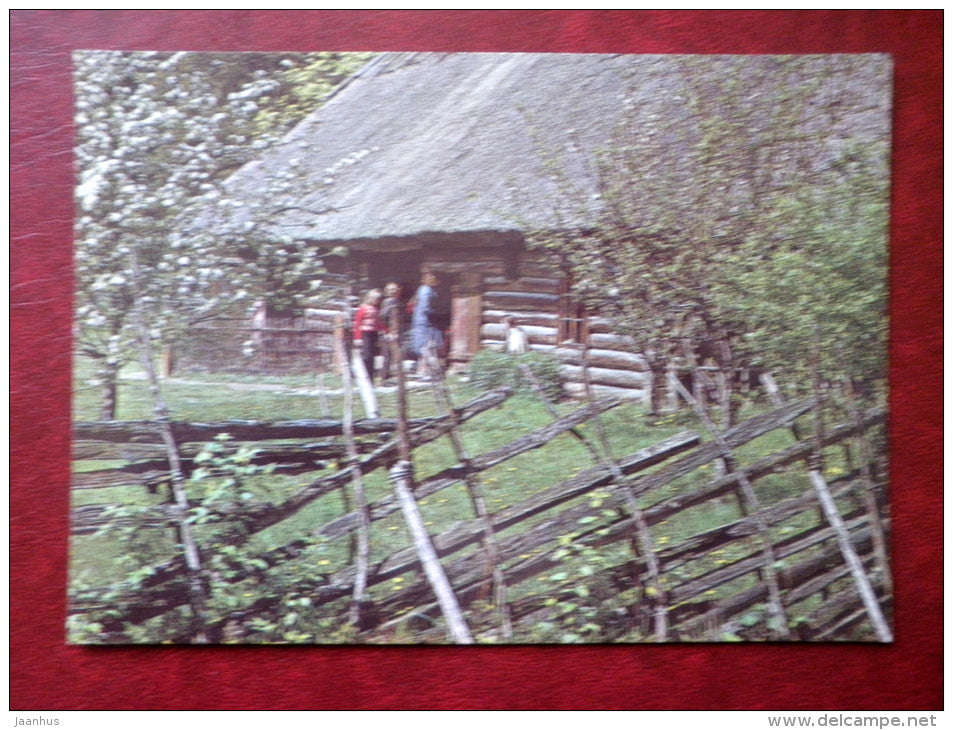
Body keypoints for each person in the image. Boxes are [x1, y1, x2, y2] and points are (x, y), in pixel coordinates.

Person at [411, 270, 443, 379]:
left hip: (423, 321)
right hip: (425, 322)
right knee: (426, 347)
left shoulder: (424, 289)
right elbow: (425, 308)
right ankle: (424, 371)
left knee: (425, 347)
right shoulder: (426, 290)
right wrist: (438, 313)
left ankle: (422, 371)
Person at [353, 288, 382, 382]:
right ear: (370, 298)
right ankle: (364, 375)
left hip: (374, 333)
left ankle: (370, 377)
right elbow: (358, 323)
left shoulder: (376, 309)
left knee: (372, 356)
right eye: (375, 299)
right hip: (365, 334)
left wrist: (386, 331)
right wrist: (357, 338)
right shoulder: (363, 308)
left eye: (378, 299)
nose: (377, 301)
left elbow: (379, 322)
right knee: (367, 355)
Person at [378, 282, 401, 384]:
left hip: (395, 331)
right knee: (387, 355)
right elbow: (383, 317)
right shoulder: (388, 302)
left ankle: (390, 376)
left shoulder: (395, 301)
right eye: (391, 289)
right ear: (387, 291)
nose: (394, 291)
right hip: (389, 332)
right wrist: (387, 331)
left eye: (395, 289)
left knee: (392, 355)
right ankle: (384, 378)